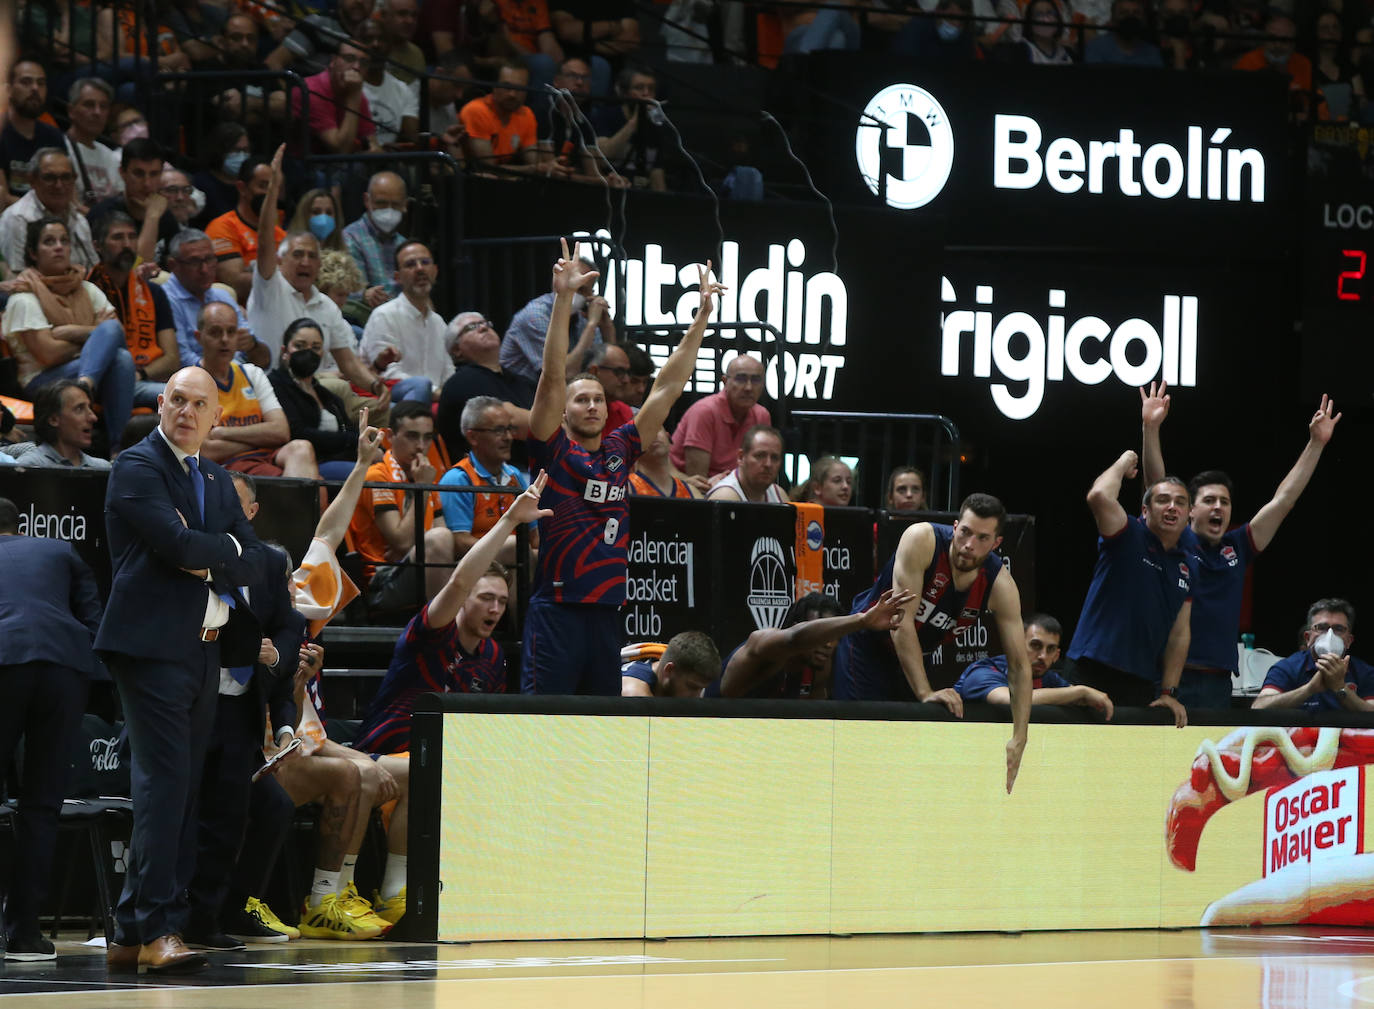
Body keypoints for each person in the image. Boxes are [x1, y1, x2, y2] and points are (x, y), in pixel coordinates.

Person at [96, 366, 267, 975]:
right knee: (164, 786)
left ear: (216, 416)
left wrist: (214, 552)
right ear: (160, 404)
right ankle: (158, 930)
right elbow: (179, 545)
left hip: (204, 647)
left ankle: (128, 931)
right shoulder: (138, 466)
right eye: (177, 400)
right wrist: (220, 548)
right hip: (151, 646)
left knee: (180, 789)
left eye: (200, 404)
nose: (187, 412)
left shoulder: (218, 478)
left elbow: (253, 562)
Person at [522, 241, 723, 694]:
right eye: (581, 399)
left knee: (601, 728)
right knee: (545, 722)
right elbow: (552, 376)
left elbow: (668, 386)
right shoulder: (551, 450)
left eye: (598, 398)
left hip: (608, 609)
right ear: (565, 411)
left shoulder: (622, 446)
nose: (592, 405)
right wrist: (563, 300)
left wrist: (701, 319)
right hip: (557, 607)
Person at [1141, 382, 1341, 710]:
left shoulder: (1238, 546)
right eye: (1209, 501)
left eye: (1225, 501)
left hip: (1220, 682)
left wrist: (1315, 445)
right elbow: (1154, 487)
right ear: (1190, 509)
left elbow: (1284, 500)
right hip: (1171, 679)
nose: (1218, 507)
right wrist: (1151, 429)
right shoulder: (1173, 541)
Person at [836, 493, 1032, 793]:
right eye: (965, 532)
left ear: (996, 543)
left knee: (903, 758)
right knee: (863, 747)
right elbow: (900, 624)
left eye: (982, 538)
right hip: (868, 643)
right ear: (954, 527)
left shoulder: (1000, 585)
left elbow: (1019, 665)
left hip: (913, 657)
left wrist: (1020, 736)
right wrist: (925, 691)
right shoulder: (922, 540)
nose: (969, 545)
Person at [184, 475, 305, 952]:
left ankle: (206, 921)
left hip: (239, 709)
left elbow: (289, 625)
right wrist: (246, 646)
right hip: (192, 701)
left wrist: (276, 658)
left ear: (251, 511)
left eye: (232, 501)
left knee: (229, 818)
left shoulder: (272, 561)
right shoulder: (192, 551)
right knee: (181, 812)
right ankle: (164, 916)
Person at [356, 476, 551, 753]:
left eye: (502, 601)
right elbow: (460, 581)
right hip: (383, 758)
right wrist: (509, 520)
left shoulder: (493, 656)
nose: (495, 609)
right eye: (485, 598)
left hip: (445, 764)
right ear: (462, 600)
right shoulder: (434, 631)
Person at [0, 496, 103, 961]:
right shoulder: (58, 549)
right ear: (19, 526)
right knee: (42, 805)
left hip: (4, 660)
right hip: (65, 667)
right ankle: (25, 935)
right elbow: (96, 618)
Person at [247, 145, 391, 426]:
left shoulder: (325, 305)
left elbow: (348, 362)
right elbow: (264, 240)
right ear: (280, 260)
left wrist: (376, 386)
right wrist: (273, 192)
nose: (305, 261)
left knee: (385, 407)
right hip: (274, 387)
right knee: (334, 389)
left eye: (312, 256)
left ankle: (377, 468)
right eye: (297, 254)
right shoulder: (270, 286)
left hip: (314, 389)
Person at [1064, 451, 1194, 727]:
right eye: (1162, 500)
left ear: (1189, 515)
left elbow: (1179, 633)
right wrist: (1124, 462)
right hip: (1091, 669)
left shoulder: (1188, 565)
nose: (1172, 507)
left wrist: (1169, 692)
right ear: (1145, 511)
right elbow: (1098, 495)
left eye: (1180, 502)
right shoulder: (1127, 533)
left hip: (1141, 681)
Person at [2, 216, 133, 446]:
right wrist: (95, 337)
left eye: (64, 240)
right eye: (49, 242)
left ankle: (86, 388)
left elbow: (116, 333)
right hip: (42, 381)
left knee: (117, 344)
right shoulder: (24, 298)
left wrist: (71, 331)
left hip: (90, 373)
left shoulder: (87, 289)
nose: (59, 246)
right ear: (33, 253)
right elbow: (48, 354)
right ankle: (118, 447)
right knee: (118, 357)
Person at [710, 589, 914, 700]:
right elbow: (794, 639)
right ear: (797, 626)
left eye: (834, 637)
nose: (827, 644)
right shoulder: (764, 644)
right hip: (709, 730)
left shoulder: (818, 666)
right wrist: (861, 621)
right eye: (820, 636)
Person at [347, 399, 456, 606]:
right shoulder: (377, 475)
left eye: (427, 438)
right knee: (439, 539)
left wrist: (410, 546)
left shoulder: (424, 474)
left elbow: (442, 544)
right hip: (382, 579)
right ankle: (440, 628)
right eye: (412, 436)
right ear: (390, 436)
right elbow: (404, 542)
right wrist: (422, 489)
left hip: (415, 565)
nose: (421, 446)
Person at [195, 301, 320, 478]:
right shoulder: (191, 382)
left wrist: (223, 433)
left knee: (302, 448)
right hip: (226, 468)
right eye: (215, 332)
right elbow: (207, 450)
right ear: (198, 337)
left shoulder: (252, 373)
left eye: (231, 332)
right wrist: (260, 438)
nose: (224, 339)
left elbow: (281, 431)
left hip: (268, 458)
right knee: (308, 489)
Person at [86, 210, 179, 407]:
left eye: (132, 237)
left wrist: (140, 373)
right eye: (118, 238)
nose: (127, 244)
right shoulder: (86, 292)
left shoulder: (153, 292)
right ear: (97, 245)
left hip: (146, 378)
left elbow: (172, 358)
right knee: (180, 399)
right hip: (107, 382)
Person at [439, 396, 538, 564]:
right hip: (477, 571)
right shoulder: (458, 479)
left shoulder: (515, 475)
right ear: (473, 437)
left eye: (509, 429)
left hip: (520, 564)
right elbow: (459, 543)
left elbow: (534, 536)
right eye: (499, 430)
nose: (508, 437)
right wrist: (509, 552)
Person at [954, 614, 1113, 719]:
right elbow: (1009, 700)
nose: (1043, 656)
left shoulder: (1049, 679)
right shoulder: (982, 672)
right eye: (1036, 645)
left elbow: (1077, 699)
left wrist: (1081, 697)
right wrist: (1081, 691)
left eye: (1050, 649)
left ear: (1056, 656)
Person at [359, 240, 453, 403]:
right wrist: (436, 393)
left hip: (436, 401)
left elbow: (448, 372)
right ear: (397, 277)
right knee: (420, 385)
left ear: (435, 270)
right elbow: (388, 374)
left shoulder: (439, 323)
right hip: (393, 400)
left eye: (425, 262)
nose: (419, 268)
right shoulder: (384, 315)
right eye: (410, 264)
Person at [437, 311, 537, 460]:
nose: (484, 328)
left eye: (486, 323)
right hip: (489, 475)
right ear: (456, 350)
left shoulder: (521, 381)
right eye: (471, 327)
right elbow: (517, 423)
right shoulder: (463, 381)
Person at [267, 317, 359, 480]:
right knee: (369, 476)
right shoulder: (275, 385)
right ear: (285, 351)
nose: (308, 353)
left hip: (340, 458)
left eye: (315, 347)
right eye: (300, 346)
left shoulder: (326, 395)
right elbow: (298, 433)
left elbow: (350, 431)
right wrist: (349, 441)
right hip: (309, 463)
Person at [161, 228, 262, 370]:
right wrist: (231, 374)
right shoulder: (164, 299)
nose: (204, 269)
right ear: (173, 265)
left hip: (234, 374)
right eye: (194, 262)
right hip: (194, 381)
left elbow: (260, 356)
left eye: (209, 259)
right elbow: (182, 360)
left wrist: (253, 345)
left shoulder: (222, 296)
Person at [1254, 599, 1374, 712]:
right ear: (1307, 638)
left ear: (1349, 640)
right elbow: (1259, 707)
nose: (1330, 635)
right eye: (1321, 628)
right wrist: (1309, 689)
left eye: (1338, 629)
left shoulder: (1365, 672)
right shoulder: (1287, 668)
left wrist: (1340, 688)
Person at [670, 353, 771, 479]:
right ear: (725, 381)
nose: (749, 387)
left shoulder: (762, 416)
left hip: (736, 490)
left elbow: (761, 473)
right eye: (741, 379)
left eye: (756, 380)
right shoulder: (704, 412)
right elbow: (698, 481)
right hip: (687, 490)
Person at [0, 147, 96, 271]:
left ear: (74, 179)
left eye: (66, 177)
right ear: (32, 180)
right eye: (50, 178)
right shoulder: (18, 219)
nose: (59, 185)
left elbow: (93, 269)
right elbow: (17, 277)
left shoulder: (80, 220)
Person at [87, 138, 180, 265]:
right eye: (138, 174)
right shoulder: (102, 216)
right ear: (122, 173)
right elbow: (134, 271)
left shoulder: (167, 218)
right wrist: (152, 217)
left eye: (154, 174)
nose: (147, 183)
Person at [500, 276, 611, 383]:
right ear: (558, 285)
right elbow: (564, 374)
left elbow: (606, 370)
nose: (573, 292)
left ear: (590, 294)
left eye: (581, 289)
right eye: (571, 285)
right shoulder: (535, 315)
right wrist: (591, 325)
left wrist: (607, 327)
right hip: (518, 393)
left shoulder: (583, 317)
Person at [205, 154, 285, 303]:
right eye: (263, 186)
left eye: (274, 188)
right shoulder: (222, 227)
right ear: (242, 188)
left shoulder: (281, 234)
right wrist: (286, 276)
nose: (270, 194)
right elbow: (235, 282)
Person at [290, 39, 379, 156]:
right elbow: (341, 150)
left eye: (364, 62)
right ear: (333, 61)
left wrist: (375, 151)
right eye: (349, 59)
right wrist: (353, 98)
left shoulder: (355, 93)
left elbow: (372, 143)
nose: (357, 67)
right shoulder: (310, 91)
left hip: (335, 167)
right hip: (304, 166)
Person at [1, 379, 111, 469]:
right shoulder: (28, 467)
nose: (93, 417)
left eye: (90, 408)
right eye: (79, 409)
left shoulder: (103, 468)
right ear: (53, 419)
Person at [592, 66, 668, 191]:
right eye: (639, 88)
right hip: (610, 190)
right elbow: (603, 157)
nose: (646, 93)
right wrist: (635, 122)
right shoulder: (606, 116)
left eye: (651, 89)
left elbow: (657, 174)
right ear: (624, 92)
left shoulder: (656, 125)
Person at [0, 60, 65, 204]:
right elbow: (2, 198)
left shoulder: (54, 136)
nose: (35, 88)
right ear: (8, 90)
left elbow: (67, 192)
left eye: (41, 83)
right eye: (26, 82)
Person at [460, 62, 542, 175]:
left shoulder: (526, 114)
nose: (512, 94)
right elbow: (488, 168)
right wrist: (533, 169)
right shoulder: (476, 110)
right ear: (494, 86)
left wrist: (548, 168)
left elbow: (534, 162)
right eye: (507, 86)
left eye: (519, 88)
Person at [343, 171, 408, 314]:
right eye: (381, 203)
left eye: (395, 204)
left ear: (404, 205)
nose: (388, 210)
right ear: (367, 200)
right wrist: (365, 295)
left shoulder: (405, 246)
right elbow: (351, 292)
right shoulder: (350, 238)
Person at [357, 19, 420, 148]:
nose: (376, 44)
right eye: (368, 39)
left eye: (382, 39)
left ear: (390, 46)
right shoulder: (346, 85)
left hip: (391, 161)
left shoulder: (402, 90)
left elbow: (412, 139)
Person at [63, 77, 123, 204]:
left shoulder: (111, 157)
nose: (97, 112)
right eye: (89, 105)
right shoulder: (61, 148)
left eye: (103, 106)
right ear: (71, 111)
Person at [621, 630, 722, 697]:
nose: (697, 696)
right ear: (669, 670)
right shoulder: (633, 690)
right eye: (692, 687)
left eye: (701, 689)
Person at [706, 425, 788, 503]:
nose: (768, 464)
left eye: (775, 458)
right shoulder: (725, 496)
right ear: (741, 457)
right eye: (760, 456)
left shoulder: (779, 495)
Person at [1084, 0, 1162, 65]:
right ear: (1113, 18)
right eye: (1124, 13)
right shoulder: (1096, 48)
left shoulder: (1153, 53)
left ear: (1144, 19)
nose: (1130, 17)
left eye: (1136, 13)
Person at [629, 427, 695, 498]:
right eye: (644, 432)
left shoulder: (691, 491)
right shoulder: (624, 488)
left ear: (668, 436)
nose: (653, 435)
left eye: (657, 428)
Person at [584, 340, 634, 430]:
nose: (626, 380)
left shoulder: (623, 412)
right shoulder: (570, 411)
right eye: (619, 372)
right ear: (594, 372)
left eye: (628, 373)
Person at [378, 0, 426, 82]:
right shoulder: (372, 49)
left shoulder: (417, 54)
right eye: (402, 14)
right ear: (384, 16)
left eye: (414, 15)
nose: (410, 21)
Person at [288, 187, 346, 252]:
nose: (324, 218)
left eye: (329, 212)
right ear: (303, 215)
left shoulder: (343, 256)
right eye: (316, 212)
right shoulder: (287, 249)